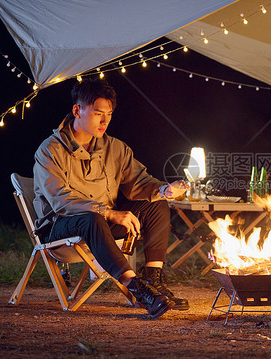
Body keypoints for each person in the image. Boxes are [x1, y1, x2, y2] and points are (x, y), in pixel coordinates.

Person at [33, 78, 189, 319]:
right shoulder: (50, 150)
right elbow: (59, 200)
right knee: (92, 219)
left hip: (101, 229)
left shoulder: (115, 148)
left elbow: (139, 182)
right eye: (97, 113)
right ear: (77, 110)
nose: (104, 121)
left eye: (109, 114)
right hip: (60, 229)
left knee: (156, 205)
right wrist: (107, 212)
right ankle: (138, 289)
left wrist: (165, 189)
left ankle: (153, 281)